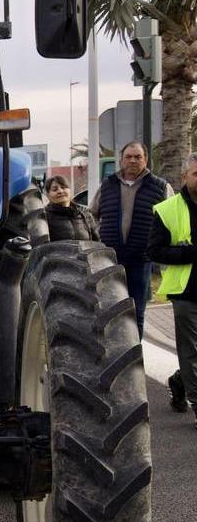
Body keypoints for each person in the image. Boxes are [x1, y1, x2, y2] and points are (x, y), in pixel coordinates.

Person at [91, 141, 174, 336]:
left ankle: (135, 354)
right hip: (110, 259)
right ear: (120, 160)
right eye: (128, 157)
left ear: (146, 160)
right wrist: (99, 234)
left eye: (138, 157)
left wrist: (157, 242)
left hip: (141, 259)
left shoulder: (160, 187)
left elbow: (171, 220)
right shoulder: (107, 184)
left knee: (137, 310)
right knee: (109, 309)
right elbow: (92, 215)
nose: (133, 160)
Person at [148, 153, 197, 424]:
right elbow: (154, 251)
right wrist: (189, 254)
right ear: (185, 177)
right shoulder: (167, 210)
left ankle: (180, 383)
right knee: (190, 351)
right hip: (186, 291)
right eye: (196, 174)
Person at [43, 174, 98, 241]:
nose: (60, 191)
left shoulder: (84, 213)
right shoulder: (44, 216)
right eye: (55, 189)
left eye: (63, 187)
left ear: (70, 190)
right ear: (48, 195)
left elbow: (97, 241)